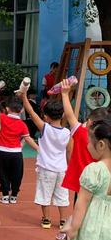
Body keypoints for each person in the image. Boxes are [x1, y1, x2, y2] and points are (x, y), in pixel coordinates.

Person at [60, 78, 110, 240]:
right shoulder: (105, 142)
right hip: (102, 186)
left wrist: (65, 94)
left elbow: (70, 115)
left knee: (80, 217)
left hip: (84, 186)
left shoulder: (81, 132)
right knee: (96, 219)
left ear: (89, 122)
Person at [19, 94, 70, 228]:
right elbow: (69, 151)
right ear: (63, 115)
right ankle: (63, 220)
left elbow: (30, 111)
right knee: (62, 195)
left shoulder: (45, 128)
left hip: (46, 168)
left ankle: (47, 219)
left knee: (44, 193)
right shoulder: (66, 132)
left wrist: (24, 97)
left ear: (45, 116)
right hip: (61, 169)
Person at [0, 92, 39, 204]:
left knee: (3, 174)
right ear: (21, 110)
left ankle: (5, 195)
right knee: (17, 174)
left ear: (7, 108)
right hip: (16, 154)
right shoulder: (22, 125)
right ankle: (14, 195)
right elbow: (28, 139)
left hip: (3, 153)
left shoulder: (2, 118)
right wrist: (39, 150)